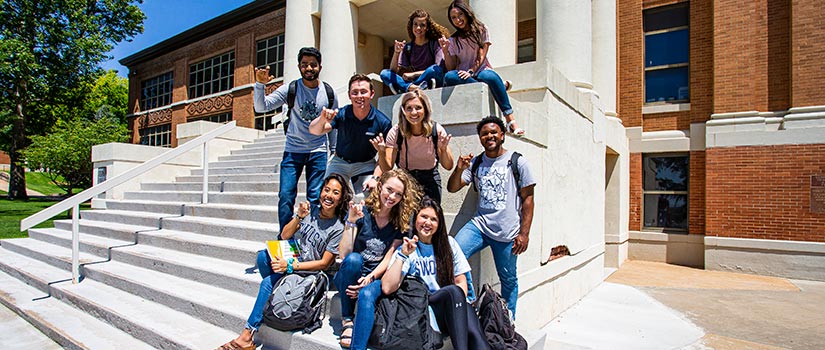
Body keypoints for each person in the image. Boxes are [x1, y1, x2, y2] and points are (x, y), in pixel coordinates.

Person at [216, 174, 353, 350]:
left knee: (267, 282)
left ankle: (246, 336)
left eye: (335, 193)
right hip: (295, 260)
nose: (329, 195)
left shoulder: (338, 228)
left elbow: (324, 264)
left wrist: (290, 266)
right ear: (321, 191)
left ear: (341, 198)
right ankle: (277, 294)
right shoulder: (310, 212)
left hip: (309, 271)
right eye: (327, 190)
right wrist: (299, 216)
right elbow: (284, 236)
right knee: (263, 258)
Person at [446, 116, 536, 319]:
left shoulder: (517, 162)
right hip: (480, 226)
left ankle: (508, 322)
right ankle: (469, 300)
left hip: (507, 233)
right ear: (480, 138)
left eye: (494, 132)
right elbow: (452, 188)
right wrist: (459, 168)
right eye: (484, 133)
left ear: (502, 135)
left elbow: (528, 200)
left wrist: (524, 233)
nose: (489, 136)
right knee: (454, 254)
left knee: (508, 280)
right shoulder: (477, 162)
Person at [382, 197, 491, 350]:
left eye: (433, 219)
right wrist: (403, 255)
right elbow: (387, 287)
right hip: (423, 309)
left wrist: (457, 307)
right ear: (415, 219)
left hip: (450, 306)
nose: (428, 222)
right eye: (424, 217)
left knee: (474, 332)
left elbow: (461, 281)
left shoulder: (449, 243)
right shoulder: (408, 248)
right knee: (453, 291)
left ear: (439, 224)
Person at [333, 169, 422, 349]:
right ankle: (347, 319)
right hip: (352, 272)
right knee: (353, 260)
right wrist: (350, 221)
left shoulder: (401, 220)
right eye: (389, 190)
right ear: (380, 186)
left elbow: (389, 256)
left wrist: (370, 278)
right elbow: (344, 254)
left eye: (398, 194)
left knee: (366, 294)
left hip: (378, 273)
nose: (392, 197)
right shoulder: (362, 211)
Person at [253, 47, 338, 231]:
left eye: (313, 65)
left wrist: (334, 150)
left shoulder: (329, 92)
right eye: (305, 64)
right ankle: (285, 235)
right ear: (299, 67)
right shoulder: (290, 89)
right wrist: (260, 85)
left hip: (318, 152)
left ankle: (312, 234)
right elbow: (261, 107)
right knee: (286, 194)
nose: (309, 68)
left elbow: (333, 123)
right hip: (293, 150)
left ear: (320, 67)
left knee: (315, 196)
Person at [438, 1, 525, 137]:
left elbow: (482, 55)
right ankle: (497, 87)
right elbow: (451, 67)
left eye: (460, 15)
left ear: (466, 13)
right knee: (449, 77)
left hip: (480, 70)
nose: (458, 20)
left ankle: (510, 120)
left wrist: (471, 71)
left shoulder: (481, 30)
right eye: (453, 17)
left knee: (488, 77)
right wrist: (445, 51)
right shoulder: (454, 40)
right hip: (464, 74)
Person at [309, 73, 392, 195]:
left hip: (365, 164)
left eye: (363, 91)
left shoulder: (382, 122)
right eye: (355, 92)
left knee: (372, 196)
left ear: (372, 94)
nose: (359, 96)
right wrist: (322, 119)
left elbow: (385, 159)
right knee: (327, 195)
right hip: (339, 162)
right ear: (349, 95)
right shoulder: (342, 114)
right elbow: (314, 130)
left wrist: (375, 178)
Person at [372, 90, 454, 202]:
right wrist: (381, 152)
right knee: (407, 218)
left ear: (425, 109)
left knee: (429, 216)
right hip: (405, 178)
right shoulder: (396, 132)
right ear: (403, 111)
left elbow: (448, 166)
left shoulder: (436, 130)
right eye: (409, 108)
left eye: (418, 107)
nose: (414, 112)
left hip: (430, 178)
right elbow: (387, 168)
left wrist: (443, 150)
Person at [379, 9, 450, 94]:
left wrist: (413, 74)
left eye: (422, 25)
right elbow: (393, 70)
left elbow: (438, 68)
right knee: (384, 73)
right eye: (415, 24)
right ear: (411, 26)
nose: (418, 28)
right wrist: (396, 52)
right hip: (415, 83)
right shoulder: (408, 47)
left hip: (430, 78)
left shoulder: (434, 44)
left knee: (434, 70)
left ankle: (407, 87)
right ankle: (411, 87)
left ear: (427, 28)